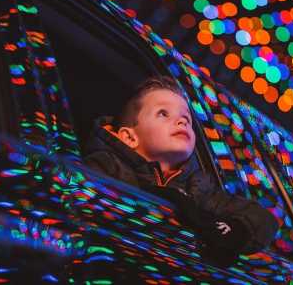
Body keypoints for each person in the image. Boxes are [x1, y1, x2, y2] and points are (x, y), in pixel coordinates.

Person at [84, 76, 278, 267]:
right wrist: (157, 199)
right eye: (163, 114)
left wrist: (232, 231)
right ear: (129, 137)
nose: (181, 121)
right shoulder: (106, 167)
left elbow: (263, 219)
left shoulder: (200, 189)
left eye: (186, 118)